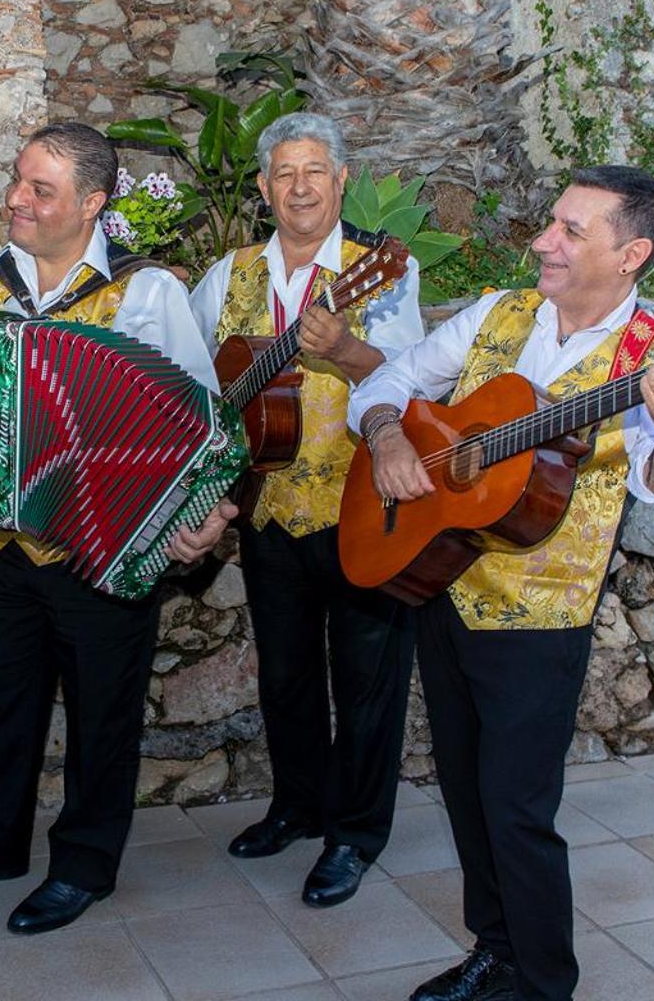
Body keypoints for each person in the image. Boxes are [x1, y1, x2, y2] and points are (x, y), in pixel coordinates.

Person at [349, 165, 654, 1001]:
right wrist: (388, 442)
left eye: (570, 231)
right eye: (552, 223)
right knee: (466, 794)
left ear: (633, 254)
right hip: (445, 582)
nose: (544, 241)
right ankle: (495, 948)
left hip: (542, 620)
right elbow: (388, 382)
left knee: (516, 807)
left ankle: (544, 981)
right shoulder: (498, 314)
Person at [0, 122, 236, 936]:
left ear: (91, 203)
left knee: (101, 713)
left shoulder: (146, 292)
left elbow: (202, 425)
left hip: (106, 548)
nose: (17, 198)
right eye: (18, 180)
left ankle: (84, 865)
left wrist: (205, 519)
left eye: (40, 189)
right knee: (0, 702)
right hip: (10, 540)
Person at [187, 111, 425, 909]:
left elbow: (418, 380)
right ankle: (297, 804)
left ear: (343, 180)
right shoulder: (227, 276)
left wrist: (348, 352)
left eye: (315, 170)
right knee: (286, 675)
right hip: (266, 510)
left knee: (367, 681)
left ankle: (355, 835)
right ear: (262, 188)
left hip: (361, 505)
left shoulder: (383, 271)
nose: (300, 187)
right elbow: (198, 387)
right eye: (284, 173)